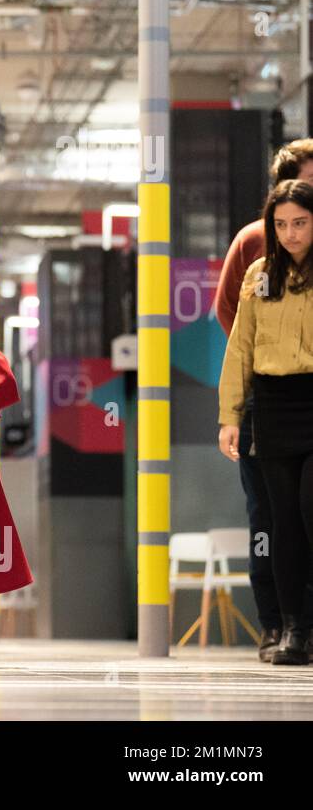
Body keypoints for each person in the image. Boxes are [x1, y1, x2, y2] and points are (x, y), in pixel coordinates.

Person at [213, 141, 313, 660]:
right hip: (272, 407)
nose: (291, 233)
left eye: (300, 223)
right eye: (282, 224)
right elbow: (240, 350)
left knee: (309, 510)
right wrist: (231, 417)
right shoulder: (260, 275)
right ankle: (291, 629)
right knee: (280, 525)